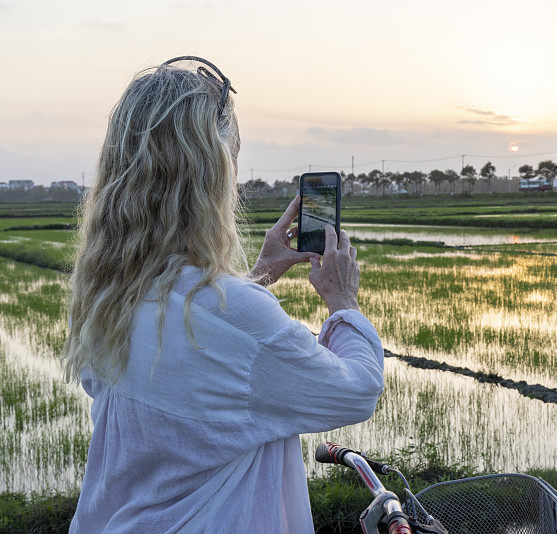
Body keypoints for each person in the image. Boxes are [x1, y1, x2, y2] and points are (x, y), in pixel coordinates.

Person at [63, 56, 384, 533]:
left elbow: (191, 363)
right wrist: (342, 302)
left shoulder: (108, 299)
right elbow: (356, 390)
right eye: (232, 163)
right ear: (210, 178)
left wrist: (258, 276)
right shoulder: (236, 317)